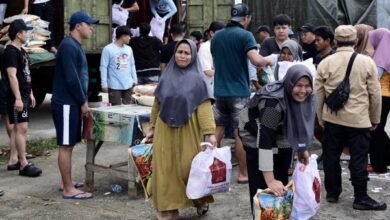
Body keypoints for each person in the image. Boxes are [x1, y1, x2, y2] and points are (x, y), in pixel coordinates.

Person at [316, 25, 386, 210]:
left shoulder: (326, 62)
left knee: (331, 156)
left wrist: (321, 118)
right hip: (359, 120)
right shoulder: (366, 62)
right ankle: (360, 197)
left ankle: (332, 193)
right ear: (356, 41)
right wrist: (375, 118)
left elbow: (319, 94)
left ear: (335, 42)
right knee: (359, 157)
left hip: (332, 119)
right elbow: (375, 94)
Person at [145, 39, 216, 219]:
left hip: (189, 129)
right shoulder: (166, 76)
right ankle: (168, 209)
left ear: (193, 56)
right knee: (165, 169)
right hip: (164, 129)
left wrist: (210, 133)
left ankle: (200, 200)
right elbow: (157, 103)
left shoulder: (199, 79)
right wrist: (152, 126)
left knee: (189, 168)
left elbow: (204, 107)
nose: (182, 56)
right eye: (179, 52)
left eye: (187, 53)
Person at [239, 64, 315, 217]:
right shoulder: (273, 103)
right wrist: (270, 179)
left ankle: (279, 215)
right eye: (299, 85)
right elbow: (265, 139)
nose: (303, 90)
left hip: (280, 132)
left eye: (307, 86)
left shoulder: (306, 98)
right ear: (290, 84)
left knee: (282, 179)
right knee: (262, 186)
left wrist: (301, 148)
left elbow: (299, 121)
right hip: (254, 131)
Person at [211, 3, 271, 184]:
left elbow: (216, 62)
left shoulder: (217, 37)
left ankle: (213, 169)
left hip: (219, 91)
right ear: (246, 18)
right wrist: (269, 59)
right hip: (238, 92)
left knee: (218, 129)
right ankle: (243, 174)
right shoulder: (245, 36)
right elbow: (256, 60)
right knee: (240, 133)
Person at [52, 11, 99, 200]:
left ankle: (66, 182)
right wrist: (83, 102)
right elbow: (72, 79)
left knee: (68, 144)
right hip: (66, 103)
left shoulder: (75, 46)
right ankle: (68, 189)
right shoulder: (69, 46)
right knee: (66, 145)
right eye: (89, 24)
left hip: (70, 103)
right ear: (77, 26)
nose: (91, 28)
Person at [1, 19, 42, 177]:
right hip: (16, 96)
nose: (28, 34)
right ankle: (23, 163)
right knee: (21, 128)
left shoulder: (22, 51)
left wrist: (30, 92)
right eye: (26, 31)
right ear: (18, 34)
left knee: (22, 128)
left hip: (25, 93)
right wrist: (17, 98)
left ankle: (16, 160)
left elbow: (26, 74)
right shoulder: (10, 51)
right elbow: (12, 76)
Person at [367, 28, 390, 174]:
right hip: (387, 96)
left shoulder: (382, 55)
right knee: (379, 130)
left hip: (381, 96)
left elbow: (374, 77)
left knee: (375, 130)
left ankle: (378, 165)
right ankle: (385, 159)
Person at [100, 26, 137, 105]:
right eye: (129, 36)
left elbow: (132, 65)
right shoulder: (108, 49)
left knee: (128, 110)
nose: (130, 38)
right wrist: (104, 84)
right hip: (114, 86)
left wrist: (135, 80)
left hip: (128, 85)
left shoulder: (129, 49)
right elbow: (103, 67)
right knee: (115, 110)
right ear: (123, 36)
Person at [197, 21, 225, 93]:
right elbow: (207, 71)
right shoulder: (205, 47)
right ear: (212, 33)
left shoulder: (221, 46)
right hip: (207, 88)